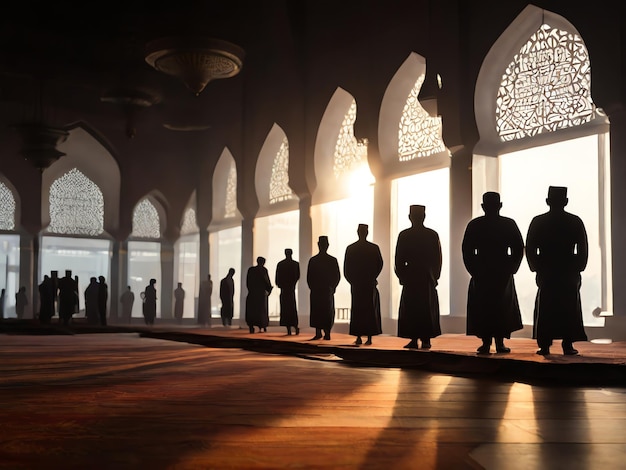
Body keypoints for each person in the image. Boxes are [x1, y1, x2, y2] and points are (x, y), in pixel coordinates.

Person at [526, 186, 589, 356]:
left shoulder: (538, 221)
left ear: (548, 201)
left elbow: (530, 248)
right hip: (568, 271)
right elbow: (582, 249)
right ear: (566, 201)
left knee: (546, 307)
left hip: (546, 270)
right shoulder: (575, 221)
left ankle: (545, 345)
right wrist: (578, 267)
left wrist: (536, 266)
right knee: (569, 307)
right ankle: (567, 344)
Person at [462, 192, 524, 354]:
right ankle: (499, 342)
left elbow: (467, 251)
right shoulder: (508, 224)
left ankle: (487, 342)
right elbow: (518, 248)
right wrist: (511, 267)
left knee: (485, 307)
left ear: (483, 206)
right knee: (500, 307)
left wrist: (474, 269)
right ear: (500, 205)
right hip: (501, 269)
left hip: (483, 270)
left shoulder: (475, 225)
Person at [394, 205, 442, 349]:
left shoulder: (404, 235)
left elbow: (399, 259)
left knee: (412, 308)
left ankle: (414, 338)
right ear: (424, 216)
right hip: (427, 276)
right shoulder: (432, 235)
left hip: (411, 275)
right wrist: (435, 276)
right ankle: (425, 339)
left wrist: (402, 276)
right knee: (426, 308)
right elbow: (437, 259)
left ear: (410, 217)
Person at [344, 223, 383, 346]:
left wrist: (352, 280)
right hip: (369, 283)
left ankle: (358, 336)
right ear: (367, 232)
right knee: (370, 309)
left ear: (358, 232)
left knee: (358, 309)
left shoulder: (351, 248)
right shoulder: (373, 248)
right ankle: (370, 337)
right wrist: (373, 277)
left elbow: (346, 269)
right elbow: (380, 264)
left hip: (357, 284)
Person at [307, 236, 341, 341]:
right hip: (327, 290)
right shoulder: (332, 260)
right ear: (328, 246)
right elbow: (337, 276)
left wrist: (312, 287)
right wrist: (333, 287)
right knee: (327, 311)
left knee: (317, 311)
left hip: (317, 290)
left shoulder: (313, 260)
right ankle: (327, 333)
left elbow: (309, 277)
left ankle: (318, 332)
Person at [275, 248, 300, 335]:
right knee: (292, 308)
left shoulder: (281, 264)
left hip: (284, 289)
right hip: (291, 289)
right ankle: (295, 327)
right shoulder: (295, 264)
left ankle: (289, 329)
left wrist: (281, 285)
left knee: (285, 309)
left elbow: (277, 278)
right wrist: (292, 283)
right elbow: (297, 276)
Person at [245, 257, 273, 333]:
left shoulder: (251, 270)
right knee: (261, 310)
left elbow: (248, 281)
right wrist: (269, 289)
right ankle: (262, 326)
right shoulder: (263, 270)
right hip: (260, 294)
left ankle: (251, 326)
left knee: (252, 311)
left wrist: (250, 289)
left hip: (252, 293)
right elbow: (266, 281)